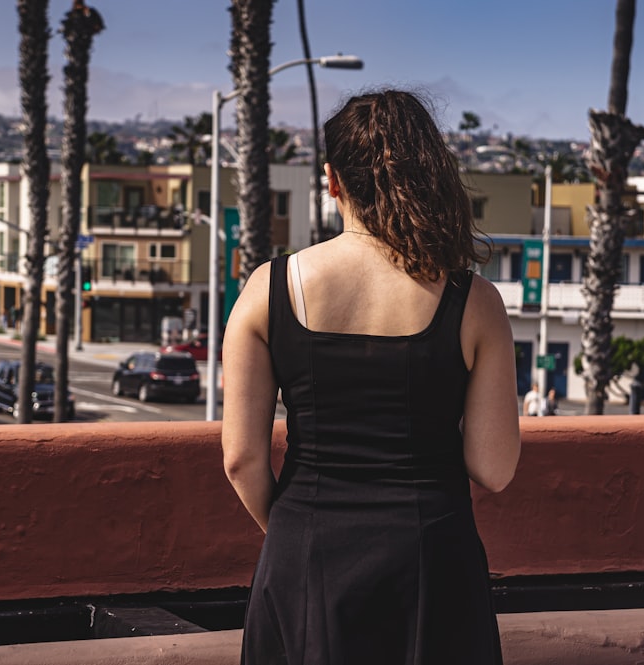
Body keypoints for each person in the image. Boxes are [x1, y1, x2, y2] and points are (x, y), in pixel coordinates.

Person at [221, 89, 520, 665]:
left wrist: (295, 535)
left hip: (305, 558)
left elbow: (241, 461)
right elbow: (494, 466)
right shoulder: (473, 301)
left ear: (332, 180)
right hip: (433, 562)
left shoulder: (267, 290)